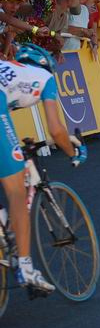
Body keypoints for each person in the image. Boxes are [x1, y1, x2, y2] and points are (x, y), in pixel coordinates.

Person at [0, 43, 87, 292]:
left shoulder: (12, 69)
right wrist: (75, 151)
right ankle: (26, 268)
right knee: (16, 192)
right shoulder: (45, 78)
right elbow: (57, 130)